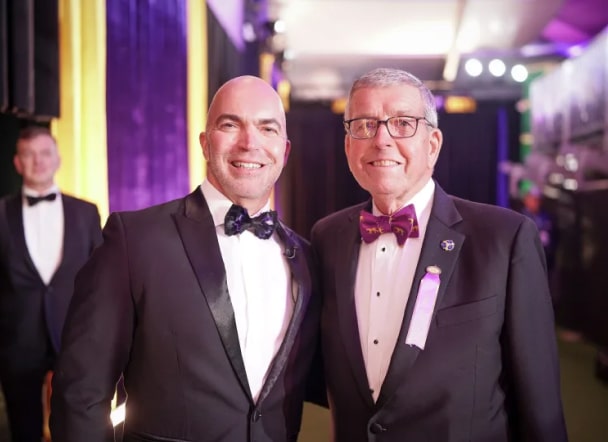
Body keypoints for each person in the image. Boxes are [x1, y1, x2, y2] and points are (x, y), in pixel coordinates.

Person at [50, 75, 322, 442]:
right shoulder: (134, 240)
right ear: (205, 143)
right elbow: (80, 394)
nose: (249, 142)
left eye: (266, 128)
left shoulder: (306, 259)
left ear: (284, 151)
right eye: (230, 124)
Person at [311, 68, 568, 441]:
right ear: (348, 145)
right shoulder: (326, 238)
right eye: (365, 125)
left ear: (432, 144)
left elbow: (539, 404)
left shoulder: (504, 239)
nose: (381, 139)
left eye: (401, 123)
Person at [0, 126, 102, 442]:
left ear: (57, 158)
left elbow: (100, 279)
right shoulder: (0, 213)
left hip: (75, 337)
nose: (38, 161)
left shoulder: (86, 212)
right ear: (17, 163)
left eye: (45, 153)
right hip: (17, 343)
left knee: (78, 429)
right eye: (29, 154)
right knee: (23, 430)